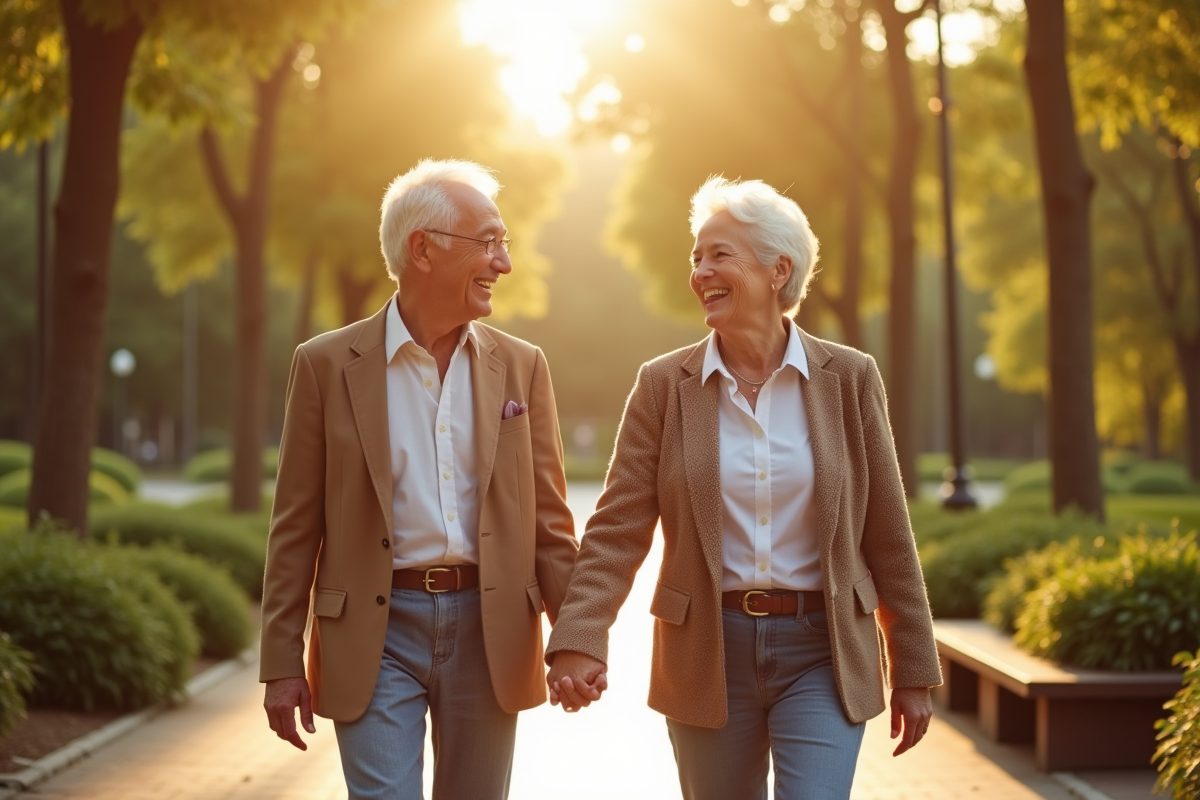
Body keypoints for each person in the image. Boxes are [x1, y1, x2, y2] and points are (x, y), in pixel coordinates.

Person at [545, 176, 942, 799]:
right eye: (696, 257)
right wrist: (579, 636)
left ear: (778, 270)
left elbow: (888, 533)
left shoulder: (850, 378)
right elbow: (617, 530)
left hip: (824, 650)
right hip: (707, 649)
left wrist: (914, 665)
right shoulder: (663, 385)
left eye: (720, 255)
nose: (700, 272)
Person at [259, 159, 579, 800]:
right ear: (423, 249)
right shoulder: (325, 366)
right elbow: (296, 526)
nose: (503, 262)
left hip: (490, 630)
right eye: (488, 242)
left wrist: (575, 638)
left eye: (504, 242)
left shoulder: (523, 365)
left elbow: (548, 523)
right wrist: (281, 661)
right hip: (373, 634)